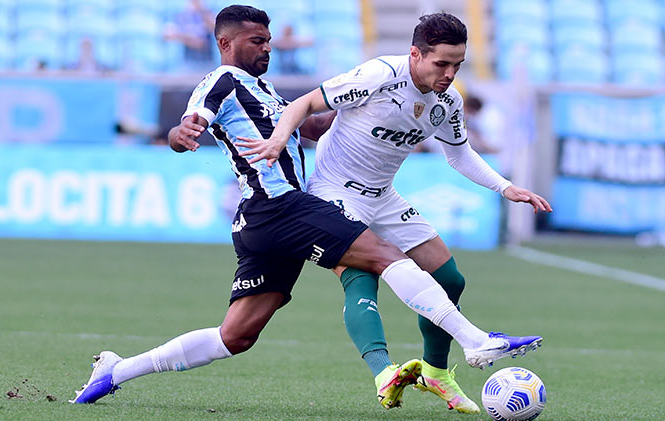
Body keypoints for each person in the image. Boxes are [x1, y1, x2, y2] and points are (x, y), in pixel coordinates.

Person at [69, 5, 540, 410]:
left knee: (236, 336)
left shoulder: (269, 93)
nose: (267, 49)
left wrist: (360, 108)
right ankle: (474, 342)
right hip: (280, 207)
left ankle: (117, 370)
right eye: (257, 41)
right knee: (384, 256)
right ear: (225, 42)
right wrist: (181, 135)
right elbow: (190, 122)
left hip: (268, 219)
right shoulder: (223, 80)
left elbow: (310, 127)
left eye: (270, 41)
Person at [236, 12, 552, 414]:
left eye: (457, 64)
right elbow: (306, 102)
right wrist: (279, 139)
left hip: (383, 197)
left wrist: (506, 187)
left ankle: (436, 373)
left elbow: (459, 156)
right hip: (336, 193)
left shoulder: (447, 101)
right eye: (441, 63)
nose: (450, 73)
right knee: (362, 278)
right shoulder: (379, 75)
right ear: (415, 54)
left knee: (450, 278)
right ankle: (384, 372)